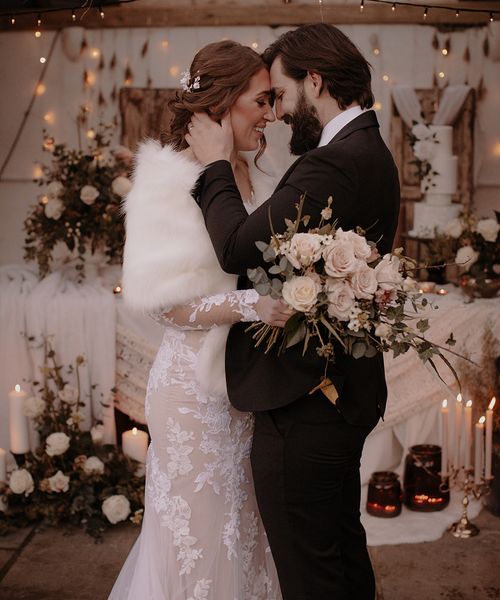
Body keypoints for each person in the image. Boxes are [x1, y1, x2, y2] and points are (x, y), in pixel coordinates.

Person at [186, 24, 401, 600]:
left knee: (310, 574)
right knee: (339, 551)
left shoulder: (333, 162)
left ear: (314, 80)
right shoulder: (370, 150)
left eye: (279, 94)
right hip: (341, 394)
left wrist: (212, 166)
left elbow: (236, 247)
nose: (277, 113)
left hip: (306, 402)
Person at [108, 40, 286, 600]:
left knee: (244, 534)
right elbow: (166, 304)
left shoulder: (256, 175)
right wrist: (249, 306)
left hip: (246, 387)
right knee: (199, 541)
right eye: (262, 101)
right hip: (192, 397)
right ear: (224, 103)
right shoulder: (165, 183)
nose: (272, 114)